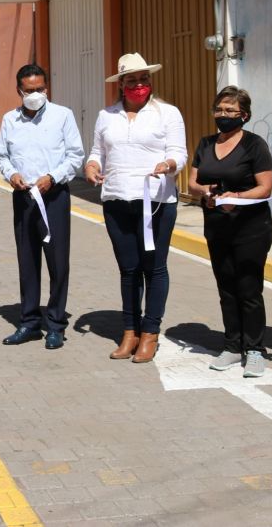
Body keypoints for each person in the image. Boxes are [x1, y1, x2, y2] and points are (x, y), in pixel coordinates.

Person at [84, 54, 186, 363]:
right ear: (121, 84)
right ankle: (130, 330)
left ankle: (150, 333)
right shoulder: (106, 115)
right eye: (131, 80)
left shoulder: (167, 113)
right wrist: (91, 165)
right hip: (116, 199)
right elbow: (97, 151)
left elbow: (179, 153)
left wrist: (168, 164)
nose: (138, 84)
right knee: (128, 269)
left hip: (155, 201)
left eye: (143, 79)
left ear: (150, 81)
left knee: (153, 268)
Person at [0, 63, 85, 350]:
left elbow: (75, 155)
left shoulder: (63, 116)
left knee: (57, 263)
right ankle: (30, 322)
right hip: (24, 199)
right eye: (29, 90)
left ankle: (56, 324)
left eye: (40, 89)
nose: (35, 94)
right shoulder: (10, 120)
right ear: (19, 91)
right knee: (28, 262)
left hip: (53, 196)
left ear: (46, 89)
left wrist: (52, 178)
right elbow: (2, 156)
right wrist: (12, 175)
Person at [189, 86, 272, 378]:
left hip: (251, 227)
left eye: (230, 111)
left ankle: (254, 349)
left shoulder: (254, 145)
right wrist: (207, 193)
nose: (223, 115)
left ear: (244, 115)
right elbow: (193, 184)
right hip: (216, 225)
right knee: (226, 288)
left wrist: (235, 198)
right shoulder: (205, 143)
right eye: (219, 109)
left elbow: (265, 187)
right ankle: (231, 345)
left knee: (249, 289)